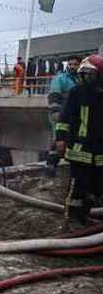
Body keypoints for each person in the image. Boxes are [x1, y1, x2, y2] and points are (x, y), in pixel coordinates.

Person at [55, 54, 103, 225]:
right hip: (79, 149)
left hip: (99, 151)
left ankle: (85, 214)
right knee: (79, 186)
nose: (85, 77)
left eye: (90, 74)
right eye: (84, 73)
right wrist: (60, 139)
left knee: (96, 187)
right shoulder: (76, 93)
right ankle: (73, 218)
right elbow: (64, 119)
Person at [46, 56, 82, 174]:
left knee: (71, 140)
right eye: (70, 64)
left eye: (75, 64)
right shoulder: (61, 78)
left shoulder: (79, 80)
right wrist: (56, 113)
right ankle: (51, 166)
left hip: (75, 116)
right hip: (61, 114)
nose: (72, 67)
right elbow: (54, 95)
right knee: (58, 139)